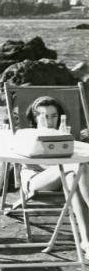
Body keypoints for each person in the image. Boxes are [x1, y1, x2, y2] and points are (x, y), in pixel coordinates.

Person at [22, 96, 89, 259]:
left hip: (63, 177)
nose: (49, 120)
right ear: (35, 117)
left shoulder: (63, 135)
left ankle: (86, 243)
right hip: (36, 180)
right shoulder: (28, 135)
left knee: (74, 177)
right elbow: (46, 165)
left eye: (54, 116)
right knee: (78, 166)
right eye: (44, 116)